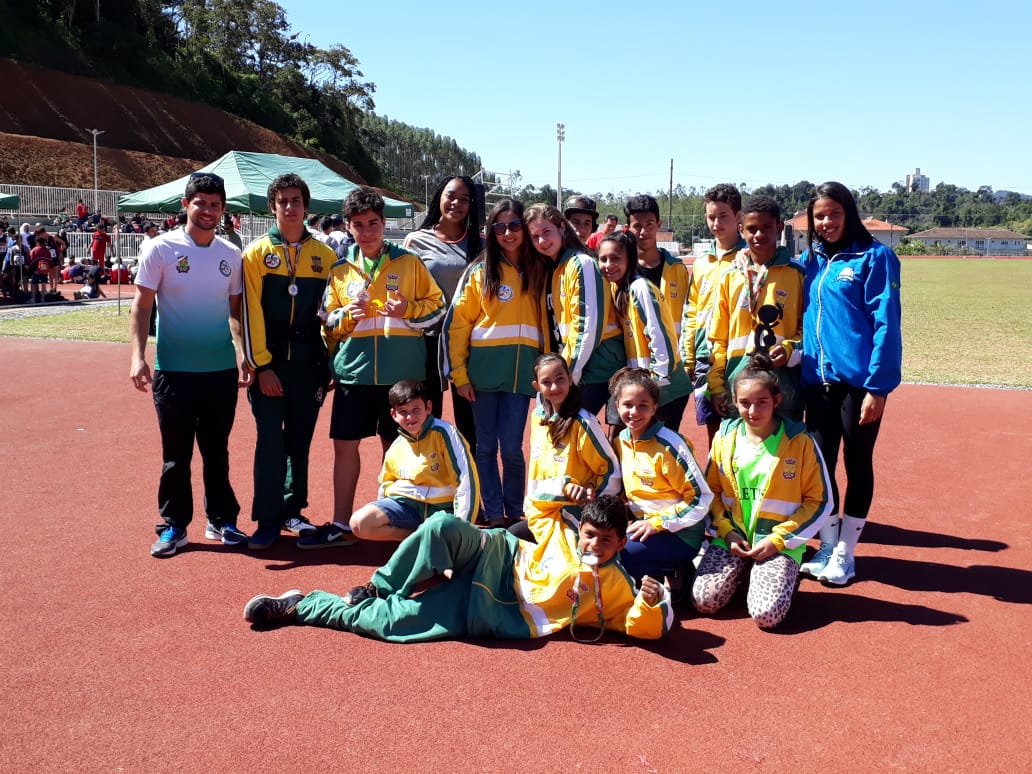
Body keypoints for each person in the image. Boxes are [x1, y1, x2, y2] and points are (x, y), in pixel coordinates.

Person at [243, 494, 672, 643]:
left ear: (621, 543)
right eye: (590, 534)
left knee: (390, 626)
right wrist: (564, 494)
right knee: (441, 526)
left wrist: (652, 604)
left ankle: (302, 606)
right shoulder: (563, 532)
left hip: (489, 610)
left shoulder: (614, 585)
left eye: (605, 540)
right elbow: (538, 507)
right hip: (496, 555)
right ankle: (379, 585)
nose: (593, 544)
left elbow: (641, 627)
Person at [129, 171, 252, 558]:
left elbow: (234, 312)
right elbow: (142, 305)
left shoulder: (230, 255)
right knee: (175, 456)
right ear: (186, 205)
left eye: (215, 205)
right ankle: (174, 526)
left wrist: (241, 351)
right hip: (174, 371)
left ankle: (221, 520)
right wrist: (137, 356)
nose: (208, 211)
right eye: (200, 203)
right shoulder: (160, 249)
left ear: (223, 211)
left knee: (217, 451)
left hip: (219, 373)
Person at [314, 186, 446, 547]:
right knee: (345, 446)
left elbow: (437, 309)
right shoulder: (340, 270)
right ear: (348, 227)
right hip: (354, 373)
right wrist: (345, 316)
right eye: (359, 225)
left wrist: (409, 311)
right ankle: (342, 524)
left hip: (400, 377)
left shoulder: (409, 263)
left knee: (397, 448)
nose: (368, 231)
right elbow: (327, 320)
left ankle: (393, 520)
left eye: (373, 223)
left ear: (384, 224)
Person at [797, 181, 902, 585]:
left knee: (857, 464)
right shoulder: (811, 261)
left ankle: (847, 553)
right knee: (821, 468)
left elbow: (886, 324)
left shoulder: (875, 257)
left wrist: (878, 388)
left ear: (849, 214)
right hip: (816, 383)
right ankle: (826, 544)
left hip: (858, 385)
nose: (826, 222)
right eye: (819, 216)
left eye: (833, 214)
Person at [691, 354, 833, 628]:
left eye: (762, 402)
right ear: (734, 402)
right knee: (704, 601)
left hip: (778, 543)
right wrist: (726, 531)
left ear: (776, 401)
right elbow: (711, 493)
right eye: (744, 403)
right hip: (733, 538)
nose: (753, 411)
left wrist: (779, 540)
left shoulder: (800, 441)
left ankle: (787, 575)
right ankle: (743, 568)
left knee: (766, 616)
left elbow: (819, 501)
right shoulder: (724, 437)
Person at [240, 173, 338, 549]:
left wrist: (328, 362)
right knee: (269, 441)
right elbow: (249, 312)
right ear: (273, 207)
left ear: (306, 206)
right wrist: (261, 366)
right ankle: (267, 518)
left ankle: (293, 509)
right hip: (271, 364)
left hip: (309, 365)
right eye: (283, 201)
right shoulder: (256, 254)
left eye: (297, 200)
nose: (290, 207)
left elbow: (333, 312)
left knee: (300, 441)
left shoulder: (325, 256)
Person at [441, 199, 547, 527]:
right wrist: (459, 374)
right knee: (485, 447)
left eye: (515, 225)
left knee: (512, 448)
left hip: (521, 376)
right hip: (482, 376)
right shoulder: (479, 270)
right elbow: (458, 325)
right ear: (490, 232)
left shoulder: (541, 268)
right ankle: (495, 511)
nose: (507, 233)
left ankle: (516, 511)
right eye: (499, 227)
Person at [301, 380, 478, 548]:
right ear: (393, 415)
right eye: (403, 412)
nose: (410, 417)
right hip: (408, 508)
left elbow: (466, 479)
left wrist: (463, 528)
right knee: (359, 524)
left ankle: (438, 542)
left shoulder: (445, 433)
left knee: (448, 563)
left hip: (440, 511)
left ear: (428, 407)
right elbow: (386, 485)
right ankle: (417, 538)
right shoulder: (396, 446)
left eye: (416, 409)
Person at [610, 367, 712, 586]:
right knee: (600, 545)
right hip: (644, 527)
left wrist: (659, 523)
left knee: (618, 555)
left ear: (655, 407)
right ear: (617, 405)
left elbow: (700, 498)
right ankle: (660, 573)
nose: (634, 412)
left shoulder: (671, 444)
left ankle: (675, 570)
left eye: (643, 405)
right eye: (627, 405)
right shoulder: (621, 441)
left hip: (680, 533)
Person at [403, 175, 483, 450]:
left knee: (470, 423)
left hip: (469, 343)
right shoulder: (416, 241)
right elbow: (406, 290)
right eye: (451, 196)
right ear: (439, 196)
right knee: (428, 415)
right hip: (427, 341)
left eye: (464, 199)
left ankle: (472, 485)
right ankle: (433, 482)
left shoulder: (480, 245)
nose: (457, 203)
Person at [708, 195, 805, 422]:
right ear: (741, 229)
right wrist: (716, 385)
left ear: (779, 227)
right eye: (752, 229)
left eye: (766, 228)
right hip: (737, 381)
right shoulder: (730, 276)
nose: (759, 235)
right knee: (739, 452)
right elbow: (718, 337)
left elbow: (807, 329)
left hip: (783, 384)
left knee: (784, 451)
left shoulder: (797, 275)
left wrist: (790, 349)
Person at [508, 353, 621, 543]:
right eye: (546, 382)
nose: (554, 387)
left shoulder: (583, 422)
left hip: (573, 516)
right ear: (537, 387)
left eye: (560, 379)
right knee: (509, 540)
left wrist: (590, 492)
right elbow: (537, 473)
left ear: (570, 378)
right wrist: (531, 508)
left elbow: (612, 474)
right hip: (543, 513)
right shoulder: (538, 417)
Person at [597, 232, 692, 433]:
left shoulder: (640, 287)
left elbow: (658, 333)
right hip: (644, 385)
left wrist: (657, 382)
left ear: (630, 259)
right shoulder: (617, 288)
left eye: (615, 258)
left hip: (665, 388)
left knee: (659, 450)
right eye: (603, 259)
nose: (608, 264)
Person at [524, 203, 609, 413]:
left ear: (561, 227)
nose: (542, 241)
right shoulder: (550, 268)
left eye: (546, 232)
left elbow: (586, 325)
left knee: (574, 435)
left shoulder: (581, 264)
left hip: (588, 371)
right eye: (535, 237)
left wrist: (569, 374)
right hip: (565, 369)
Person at [683, 183, 746, 443]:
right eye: (711, 217)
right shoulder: (701, 263)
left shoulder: (748, 257)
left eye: (723, 216)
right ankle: (716, 482)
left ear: (738, 217)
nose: (716, 223)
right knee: (715, 432)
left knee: (743, 429)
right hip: (704, 356)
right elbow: (692, 311)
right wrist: (688, 355)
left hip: (736, 356)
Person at [26, 236, 51, 303]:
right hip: (45, 269)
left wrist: (31, 268)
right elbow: (50, 260)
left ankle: (33, 299)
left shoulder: (34, 250)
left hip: (36, 270)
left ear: (37, 242)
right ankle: (42, 299)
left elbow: (30, 260)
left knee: (33, 284)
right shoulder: (46, 250)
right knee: (43, 283)